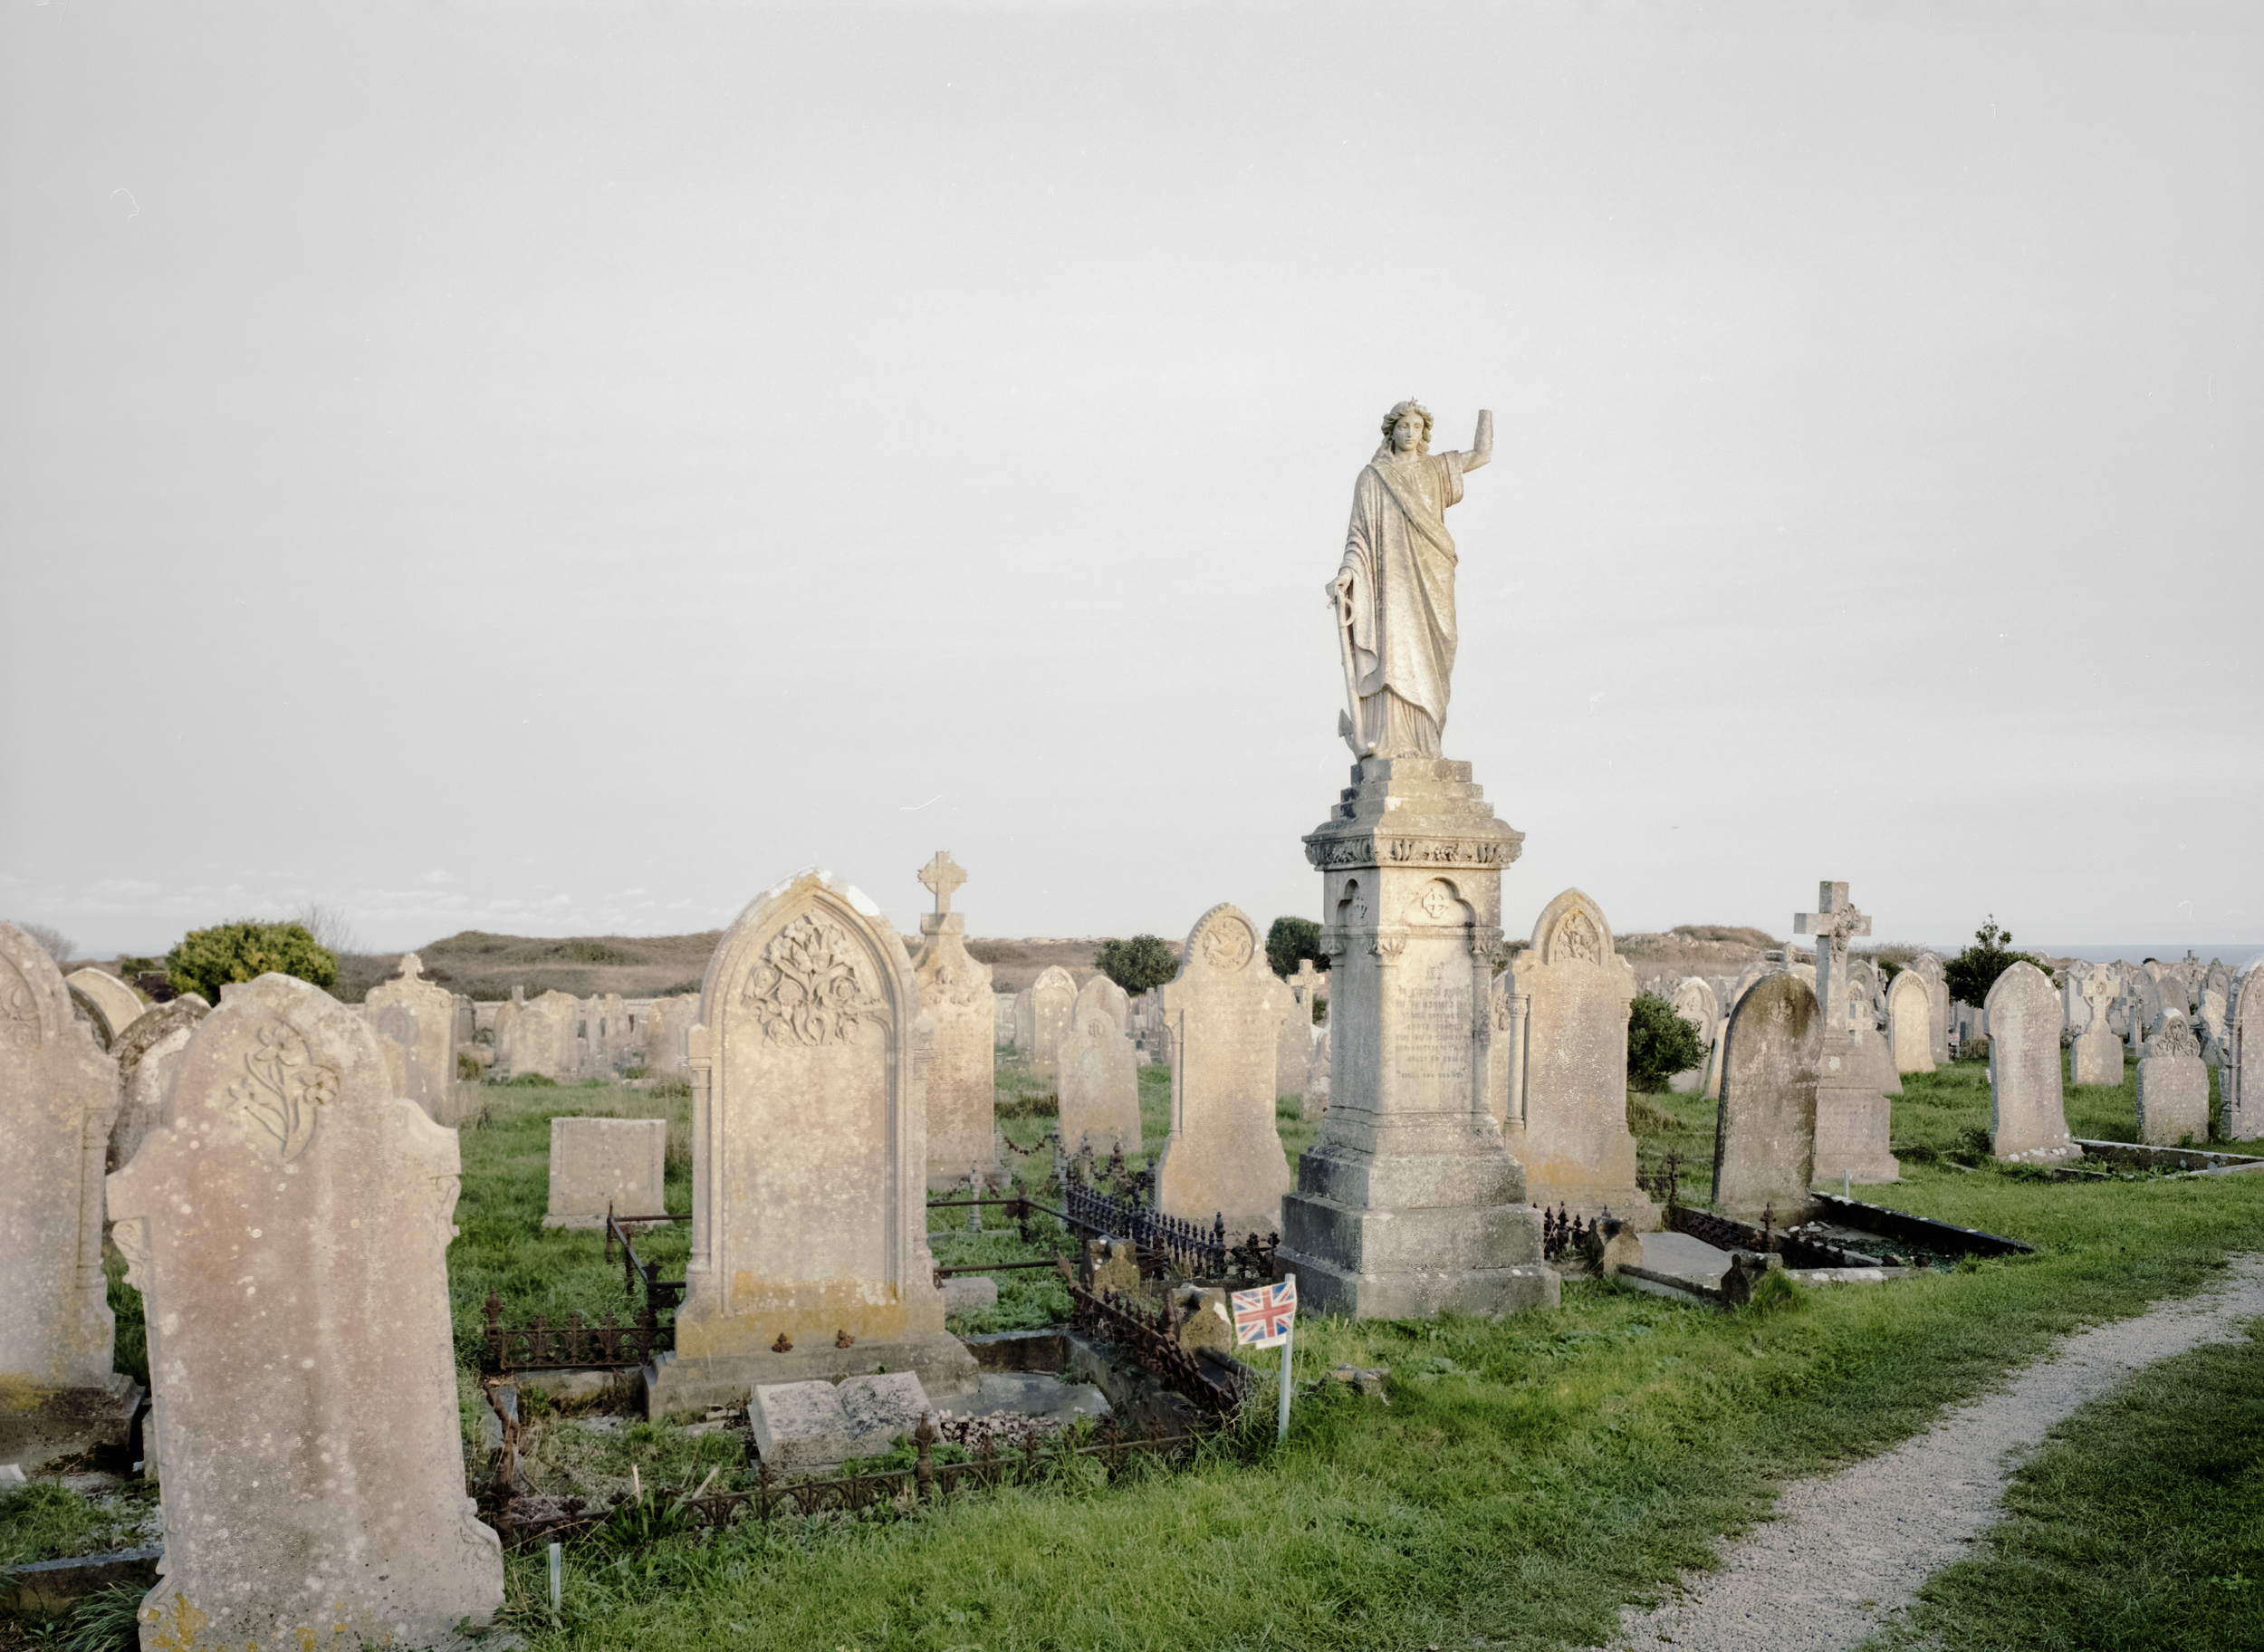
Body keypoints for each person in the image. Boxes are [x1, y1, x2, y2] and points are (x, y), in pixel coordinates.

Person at [1328, 399, 1492, 758]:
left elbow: (1482, 455)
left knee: (1435, 654)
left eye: (1417, 428)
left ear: (1424, 433)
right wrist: (1346, 575)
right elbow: (1358, 536)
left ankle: (1427, 744)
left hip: (1433, 574)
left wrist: (1487, 409)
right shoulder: (1372, 478)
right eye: (1404, 426)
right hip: (1390, 583)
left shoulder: (1436, 469)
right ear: (1391, 430)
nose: (1410, 433)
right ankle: (1392, 743)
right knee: (1396, 653)